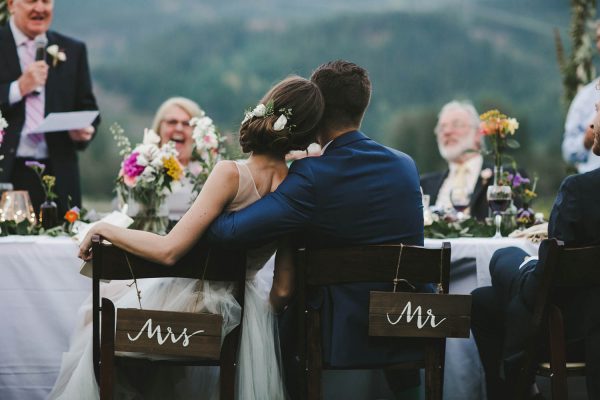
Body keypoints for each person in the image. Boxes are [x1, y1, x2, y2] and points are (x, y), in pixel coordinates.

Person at [50, 76, 325, 399]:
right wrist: (254, 323)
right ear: (308, 131)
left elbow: (169, 251)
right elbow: (282, 289)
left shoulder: (230, 173)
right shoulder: (297, 187)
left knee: (91, 322)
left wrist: (105, 229)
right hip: (245, 312)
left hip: (193, 302)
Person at [207, 60, 425, 398]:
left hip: (336, 331)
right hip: (405, 323)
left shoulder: (311, 175)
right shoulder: (405, 165)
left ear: (317, 109)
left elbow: (229, 233)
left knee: (283, 307)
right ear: (362, 108)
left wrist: (222, 196)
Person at [471, 103, 600, 399]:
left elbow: (546, 286)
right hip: (587, 322)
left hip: (572, 331)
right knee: (482, 300)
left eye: (597, 112)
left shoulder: (580, 191)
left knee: (504, 260)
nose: (591, 124)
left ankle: (518, 388)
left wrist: (527, 266)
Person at [0, 0, 100, 215]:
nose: (40, 8)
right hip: (7, 172)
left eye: (46, 1)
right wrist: (18, 88)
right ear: (11, 4)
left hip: (59, 173)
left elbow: (88, 107)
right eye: (30, 1)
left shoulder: (73, 50)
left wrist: (84, 132)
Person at [420, 100, 492, 220]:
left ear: (478, 134)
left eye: (456, 125)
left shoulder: (504, 179)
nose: (447, 132)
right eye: (442, 128)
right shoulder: (423, 185)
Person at [151, 96, 205, 220]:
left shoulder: (209, 170)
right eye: (172, 122)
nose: (179, 128)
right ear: (159, 128)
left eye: (187, 124)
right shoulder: (141, 167)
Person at [561, 20, 600, 174]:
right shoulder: (586, 96)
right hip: (592, 188)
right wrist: (587, 139)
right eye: (598, 38)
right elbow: (567, 150)